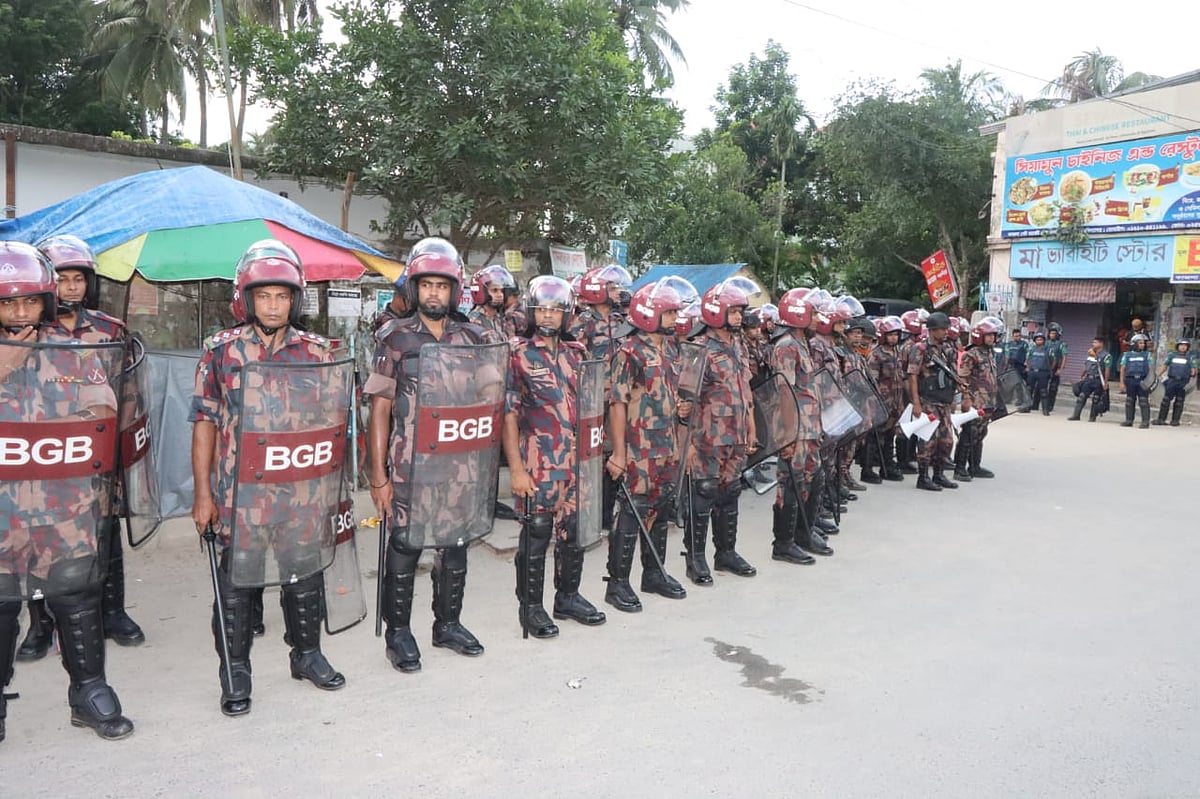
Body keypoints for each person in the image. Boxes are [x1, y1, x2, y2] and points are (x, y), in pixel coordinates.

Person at [192, 240, 346, 717]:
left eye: (282, 296)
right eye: (264, 296)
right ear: (247, 299)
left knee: (304, 577)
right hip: (240, 498)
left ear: (295, 300)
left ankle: (308, 655)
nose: (274, 305)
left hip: (300, 494)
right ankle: (236, 671)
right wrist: (203, 495)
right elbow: (204, 424)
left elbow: (333, 427)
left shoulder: (319, 353)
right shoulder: (221, 352)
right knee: (237, 588)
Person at [0, 241, 134, 741]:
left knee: (76, 597)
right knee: (2, 605)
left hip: (66, 506)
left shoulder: (76, 350)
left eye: (29, 301)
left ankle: (89, 692)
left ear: (47, 301)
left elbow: (102, 416)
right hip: (4, 511)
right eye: (8, 303)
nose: (19, 313)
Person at [366, 240, 501, 672]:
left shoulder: (476, 336)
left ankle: (448, 624)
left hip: (460, 463)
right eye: (427, 285)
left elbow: (491, 393)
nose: (435, 294)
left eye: (443, 286)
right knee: (405, 546)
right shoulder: (394, 337)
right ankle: (399, 634)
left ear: (455, 289)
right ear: (414, 286)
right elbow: (379, 407)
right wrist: (378, 476)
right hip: (409, 465)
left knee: (455, 543)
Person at [502, 276, 606, 636]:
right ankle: (530, 607)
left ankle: (568, 597)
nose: (548, 316)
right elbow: (508, 414)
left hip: (577, 463)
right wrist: (516, 469)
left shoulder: (578, 355)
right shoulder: (518, 353)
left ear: (567, 314)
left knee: (573, 532)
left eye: (555, 309)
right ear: (533, 313)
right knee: (537, 534)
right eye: (542, 309)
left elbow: (591, 407)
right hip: (538, 462)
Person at [605, 276, 695, 610]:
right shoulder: (629, 352)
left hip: (666, 445)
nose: (675, 318)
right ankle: (617, 583)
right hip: (638, 447)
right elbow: (617, 403)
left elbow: (668, 394)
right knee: (632, 512)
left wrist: (681, 408)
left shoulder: (670, 349)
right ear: (648, 314)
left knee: (660, 508)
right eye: (669, 313)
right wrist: (618, 451)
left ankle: (654, 573)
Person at [683, 278, 758, 584]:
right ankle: (695, 559)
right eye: (734, 311)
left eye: (741, 312)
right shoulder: (698, 348)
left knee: (731, 492)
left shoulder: (739, 344)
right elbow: (685, 401)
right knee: (704, 493)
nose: (739, 317)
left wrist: (751, 428)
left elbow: (746, 391)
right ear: (716, 312)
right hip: (707, 438)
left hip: (737, 435)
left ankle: (725, 553)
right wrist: (685, 445)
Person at [771, 288, 834, 562]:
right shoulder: (785, 346)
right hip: (795, 430)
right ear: (799, 314)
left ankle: (803, 533)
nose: (819, 317)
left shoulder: (801, 344)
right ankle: (783, 543)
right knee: (790, 484)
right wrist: (787, 435)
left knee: (811, 480)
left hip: (809, 428)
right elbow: (784, 391)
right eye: (814, 312)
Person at [908, 312, 959, 491]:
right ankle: (923, 477)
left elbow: (953, 375)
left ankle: (939, 474)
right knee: (927, 441)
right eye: (942, 329)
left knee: (946, 442)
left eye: (946, 329)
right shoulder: (920, 349)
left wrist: (953, 398)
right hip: (927, 400)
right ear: (932, 330)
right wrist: (916, 402)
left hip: (943, 401)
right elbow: (913, 375)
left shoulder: (948, 349)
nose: (946, 332)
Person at [956, 317, 1003, 480]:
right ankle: (960, 468)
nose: (992, 338)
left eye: (993, 336)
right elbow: (963, 379)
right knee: (969, 434)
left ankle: (975, 466)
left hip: (988, 401)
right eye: (989, 335)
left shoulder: (989, 353)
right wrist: (966, 399)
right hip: (975, 401)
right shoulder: (971, 354)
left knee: (981, 434)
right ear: (979, 336)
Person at [867, 315, 906, 482]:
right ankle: (867, 469)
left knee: (890, 436)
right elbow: (872, 380)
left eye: (896, 334)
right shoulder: (876, 355)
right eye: (890, 334)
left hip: (895, 402)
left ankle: (887, 467)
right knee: (875, 437)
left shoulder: (897, 352)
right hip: (881, 402)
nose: (894, 338)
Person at [1067, 337, 1113, 422]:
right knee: (1081, 396)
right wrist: (1083, 372)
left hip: (1098, 379)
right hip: (1089, 378)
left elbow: (1107, 369)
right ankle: (1076, 415)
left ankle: (1092, 417)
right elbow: (1088, 365)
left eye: (1095, 343)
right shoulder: (1091, 353)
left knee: (1096, 399)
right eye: (1093, 342)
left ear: (1101, 344)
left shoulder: (1107, 356)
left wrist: (1105, 382)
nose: (1093, 344)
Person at [1153, 339, 1196, 426]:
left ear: (1187, 347)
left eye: (1185, 345)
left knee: (1179, 401)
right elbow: (1165, 366)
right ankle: (1161, 419)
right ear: (1177, 346)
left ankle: (1175, 421)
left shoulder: (1190, 357)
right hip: (1172, 381)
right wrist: (1156, 376)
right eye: (1181, 345)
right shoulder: (1171, 355)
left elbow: (1193, 370)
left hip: (1183, 382)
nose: (1183, 347)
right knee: (1166, 400)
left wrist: (1192, 376)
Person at [1118, 333, 1154, 428]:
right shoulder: (1127, 355)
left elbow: (1151, 369)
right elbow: (1123, 369)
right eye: (1140, 343)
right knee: (1130, 400)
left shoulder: (1148, 355)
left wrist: (1150, 381)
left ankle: (1145, 422)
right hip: (1130, 380)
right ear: (1134, 344)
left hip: (1143, 380)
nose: (1142, 345)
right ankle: (1129, 420)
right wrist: (1121, 383)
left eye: (1143, 343)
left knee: (1143, 401)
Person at [1025, 331, 1053, 415]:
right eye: (1037, 339)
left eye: (1041, 339)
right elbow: (1028, 358)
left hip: (1043, 372)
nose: (1039, 341)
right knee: (1029, 389)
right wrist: (1028, 367)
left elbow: (1053, 360)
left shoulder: (1048, 349)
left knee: (1043, 391)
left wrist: (1050, 369)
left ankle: (1045, 410)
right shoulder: (1031, 349)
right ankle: (1026, 407)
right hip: (1032, 371)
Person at [1045, 323, 1068, 413]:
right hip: (1045, 367)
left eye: (1054, 333)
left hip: (1055, 368)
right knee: (1042, 387)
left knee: (1053, 388)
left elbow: (1064, 357)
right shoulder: (1046, 343)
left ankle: (1050, 405)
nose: (1052, 335)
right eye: (1051, 333)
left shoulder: (1062, 344)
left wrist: (1060, 369)